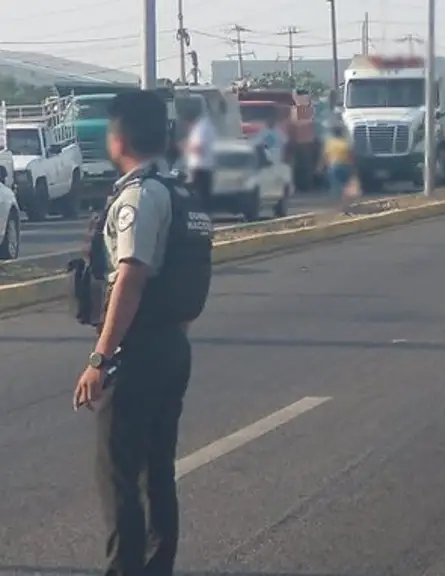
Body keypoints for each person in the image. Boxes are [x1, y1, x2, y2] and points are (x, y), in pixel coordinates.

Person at [72, 89, 213, 576]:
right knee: (158, 472)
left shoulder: (139, 196)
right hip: (173, 343)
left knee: (119, 476)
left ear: (120, 137)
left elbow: (130, 276)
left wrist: (100, 358)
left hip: (139, 349)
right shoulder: (181, 193)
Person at [183, 104, 216, 210]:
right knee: (204, 196)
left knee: (199, 196)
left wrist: (184, 146)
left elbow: (198, 148)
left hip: (200, 168)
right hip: (205, 167)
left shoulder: (201, 128)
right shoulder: (206, 126)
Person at [320, 122, 354, 212]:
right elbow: (351, 156)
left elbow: (325, 156)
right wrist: (353, 168)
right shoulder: (346, 143)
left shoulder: (329, 143)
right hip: (345, 166)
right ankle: (345, 206)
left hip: (334, 167)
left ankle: (338, 207)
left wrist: (321, 167)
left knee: (335, 187)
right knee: (345, 187)